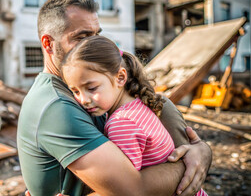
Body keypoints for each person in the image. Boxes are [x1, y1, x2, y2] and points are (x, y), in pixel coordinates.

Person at [17, 0, 212, 196]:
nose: (91, 45)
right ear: (48, 44)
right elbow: (133, 190)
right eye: (82, 37)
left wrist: (201, 150)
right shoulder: (57, 105)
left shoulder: (103, 89)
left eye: (96, 35)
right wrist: (191, 161)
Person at [60, 35, 208, 196]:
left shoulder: (122, 123)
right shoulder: (137, 105)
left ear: (120, 78)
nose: (84, 100)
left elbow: (122, 190)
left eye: (92, 88)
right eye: (75, 91)